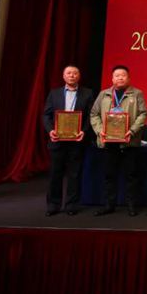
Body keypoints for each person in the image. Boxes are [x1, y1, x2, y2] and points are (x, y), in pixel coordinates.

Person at [90, 65, 147, 216]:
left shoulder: (137, 94)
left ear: (128, 78)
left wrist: (132, 131)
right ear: (112, 78)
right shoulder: (104, 94)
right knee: (109, 175)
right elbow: (94, 114)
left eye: (123, 75)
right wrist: (100, 131)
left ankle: (131, 206)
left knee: (131, 176)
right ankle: (109, 205)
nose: (120, 78)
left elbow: (143, 114)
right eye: (117, 75)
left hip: (129, 142)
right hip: (109, 142)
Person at [42, 65, 94, 216]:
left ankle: (71, 204)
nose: (72, 75)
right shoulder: (54, 93)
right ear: (64, 76)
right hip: (57, 139)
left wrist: (84, 131)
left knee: (74, 174)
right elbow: (46, 115)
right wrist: (50, 130)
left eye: (75, 73)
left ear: (79, 76)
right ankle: (53, 205)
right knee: (55, 174)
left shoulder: (88, 93)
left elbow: (91, 116)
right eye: (69, 73)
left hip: (77, 140)